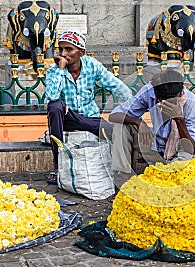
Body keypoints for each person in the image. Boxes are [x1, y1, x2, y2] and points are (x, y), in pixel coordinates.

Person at [45, 30, 132, 183]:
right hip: (67, 118)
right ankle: (57, 165)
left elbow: (117, 86)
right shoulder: (54, 71)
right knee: (55, 106)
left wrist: (130, 107)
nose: (63, 54)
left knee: (116, 132)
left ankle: (121, 171)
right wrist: (60, 69)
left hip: (89, 117)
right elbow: (51, 97)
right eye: (61, 49)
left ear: (81, 52)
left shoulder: (92, 66)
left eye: (69, 49)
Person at [108, 70, 195, 192]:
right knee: (121, 126)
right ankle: (125, 184)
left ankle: (163, 173)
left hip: (186, 149)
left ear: (181, 93)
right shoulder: (149, 91)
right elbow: (113, 116)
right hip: (157, 143)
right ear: (157, 97)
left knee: (173, 176)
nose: (168, 106)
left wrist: (179, 119)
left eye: (173, 102)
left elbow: (189, 148)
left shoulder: (192, 104)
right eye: (164, 103)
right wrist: (138, 122)